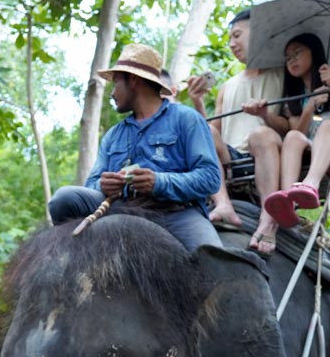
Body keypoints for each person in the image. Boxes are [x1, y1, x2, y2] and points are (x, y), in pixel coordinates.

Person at [48, 43, 224, 253]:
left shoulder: (187, 119)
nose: (112, 93)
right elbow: (92, 183)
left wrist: (158, 182)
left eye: (116, 84)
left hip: (175, 213)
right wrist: (103, 187)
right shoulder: (114, 135)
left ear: (133, 80)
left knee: (214, 260)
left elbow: (210, 178)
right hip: (119, 208)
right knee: (63, 198)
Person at [186, 9, 288, 254]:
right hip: (231, 157)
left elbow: (291, 126)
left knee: (259, 135)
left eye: (237, 35)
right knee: (206, 130)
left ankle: (268, 216)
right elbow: (210, 134)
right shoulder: (228, 86)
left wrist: (264, 116)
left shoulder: (284, 75)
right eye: (230, 38)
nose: (232, 43)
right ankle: (223, 203)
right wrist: (198, 102)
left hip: (267, 152)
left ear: (258, 34)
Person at [262, 33, 330, 226]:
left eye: (297, 53)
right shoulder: (294, 96)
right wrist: (309, 107)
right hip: (310, 144)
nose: (292, 60)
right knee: (293, 136)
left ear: (314, 52)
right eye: (288, 58)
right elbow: (298, 130)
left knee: (328, 125)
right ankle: (288, 198)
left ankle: (311, 183)